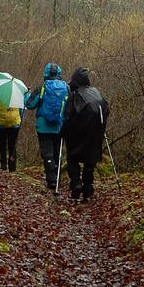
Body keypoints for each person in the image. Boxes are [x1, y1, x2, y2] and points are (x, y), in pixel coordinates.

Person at [62, 66, 110, 201]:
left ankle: (76, 183)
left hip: (78, 133)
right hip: (96, 133)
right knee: (90, 160)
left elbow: (67, 115)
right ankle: (88, 187)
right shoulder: (96, 92)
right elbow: (106, 110)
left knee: (72, 158)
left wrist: (63, 131)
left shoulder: (74, 95)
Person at [25, 62, 68, 189]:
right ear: (59, 73)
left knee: (47, 153)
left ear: (46, 73)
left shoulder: (42, 87)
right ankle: (57, 179)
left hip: (43, 127)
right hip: (59, 126)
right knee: (57, 153)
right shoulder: (66, 87)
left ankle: (51, 180)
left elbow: (30, 104)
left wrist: (27, 94)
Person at [0, 99, 23, 172]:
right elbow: (21, 112)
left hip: (1, 126)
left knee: (2, 145)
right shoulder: (17, 98)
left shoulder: (0, 98)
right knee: (12, 146)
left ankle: (3, 164)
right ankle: (12, 167)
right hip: (15, 126)